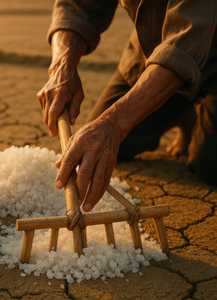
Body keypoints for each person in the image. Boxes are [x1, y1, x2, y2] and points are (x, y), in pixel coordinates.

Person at [37, 0, 217, 212]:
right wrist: (62, 63)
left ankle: (193, 104)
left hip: (202, 53)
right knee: (94, 152)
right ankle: (182, 112)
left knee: (210, 164)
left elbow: (184, 44)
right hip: (153, 50)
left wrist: (112, 125)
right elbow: (76, 6)